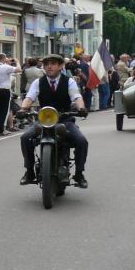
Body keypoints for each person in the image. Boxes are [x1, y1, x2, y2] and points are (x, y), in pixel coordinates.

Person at [18, 55, 89, 188]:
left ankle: (79, 173)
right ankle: (29, 171)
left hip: (65, 120)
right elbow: (29, 97)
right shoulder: (38, 82)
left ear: (61, 66)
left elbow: (76, 96)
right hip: (44, 121)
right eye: (46, 64)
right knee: (25, 137)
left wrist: (82, 108)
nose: (49, 66)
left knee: (81, 141)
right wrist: (23, 108)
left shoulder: (69, 81)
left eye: (53, 63)